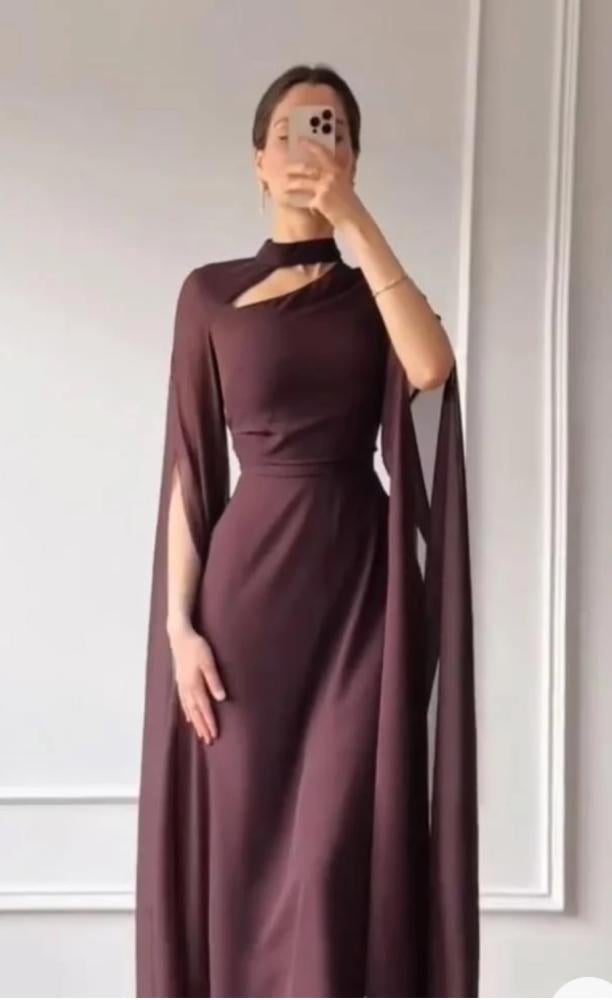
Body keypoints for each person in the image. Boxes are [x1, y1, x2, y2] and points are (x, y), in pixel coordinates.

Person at [135, 62, 480, 998]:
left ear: (352, 156)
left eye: (329, 131)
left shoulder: (376, 292)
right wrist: (178, 627)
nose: (306, 149)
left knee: (333, 858)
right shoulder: (207, 295)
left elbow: (432, 369)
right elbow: (190, 472)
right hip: (245, 608)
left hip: (362, 597)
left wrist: (354, 219)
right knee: (245, 857)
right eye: (289, 132)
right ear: (257, 159)